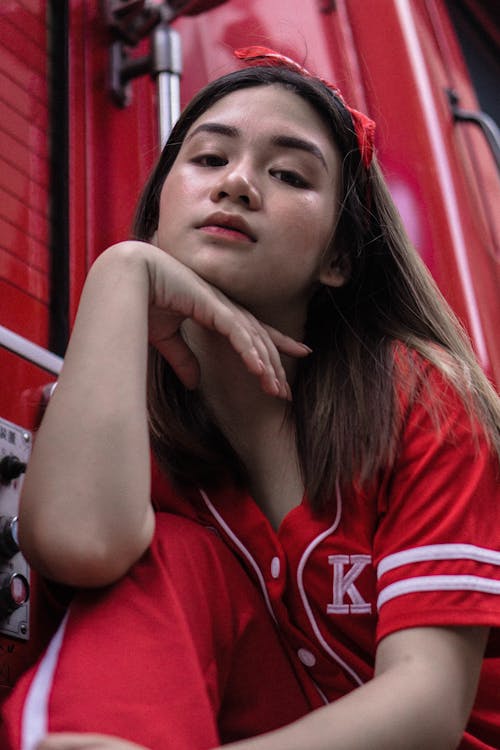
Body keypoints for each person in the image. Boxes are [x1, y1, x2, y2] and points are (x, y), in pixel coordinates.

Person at [2, 47, 499, 750]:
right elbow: (81, 548)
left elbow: (428, 706)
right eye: (208, 160)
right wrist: (124, 270)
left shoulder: (420, 395)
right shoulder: (110, 408)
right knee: (167, 551)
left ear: (338, 259)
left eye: (289, 174)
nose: (237, 184)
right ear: (156, 212)